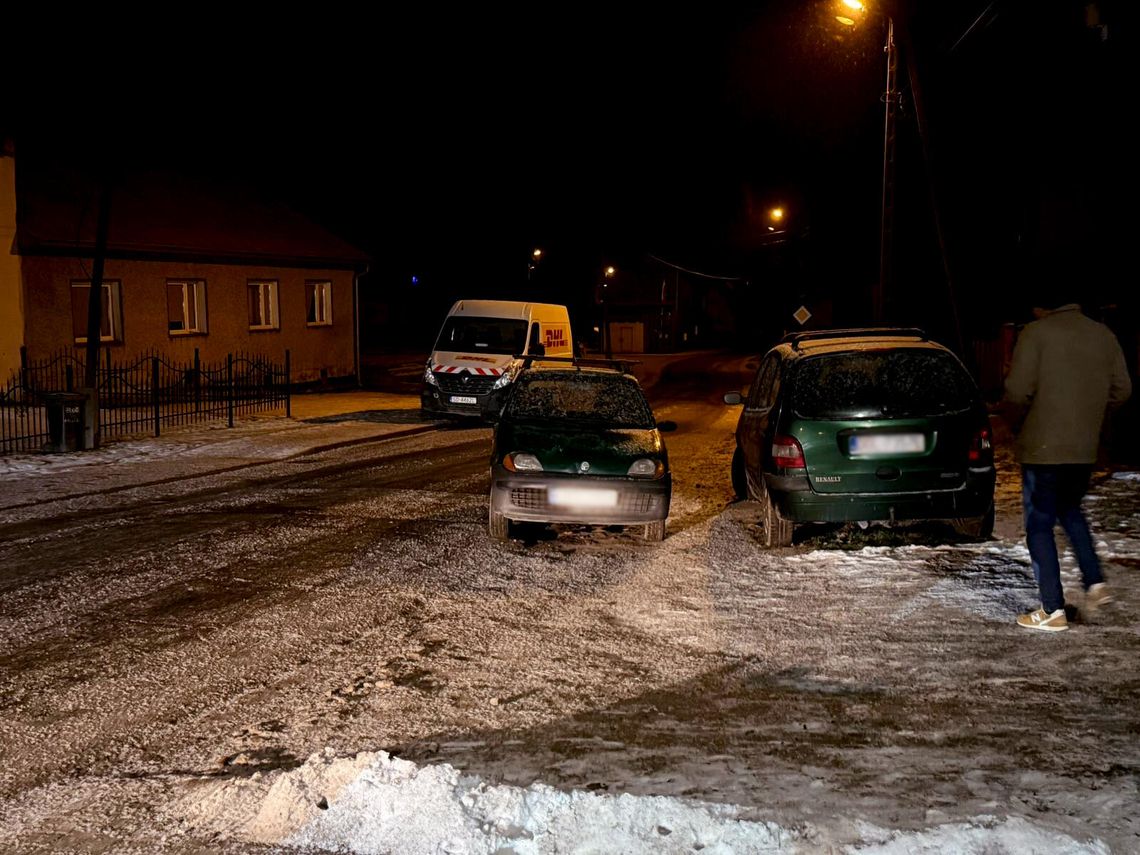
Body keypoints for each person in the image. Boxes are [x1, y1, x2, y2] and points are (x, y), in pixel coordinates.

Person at [1003, 276, 1132, 632]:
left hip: (1043, 448)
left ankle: (1052, 609)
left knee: (1039, 524)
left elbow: (1017, 392)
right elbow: (1122, 389)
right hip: (1083, 448)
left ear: (1041, 305)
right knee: (1070, 509)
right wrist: (1092, 417)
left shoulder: (1036, 333)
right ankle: (1095, 581)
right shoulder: (1103, 335)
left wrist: (1014, 422)